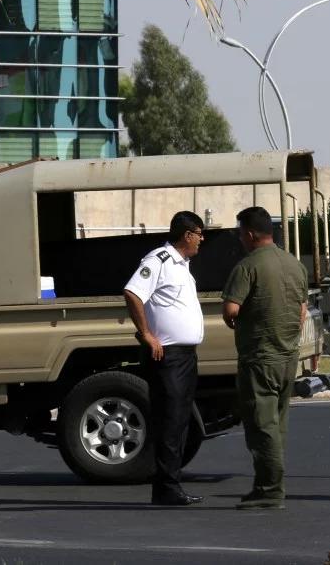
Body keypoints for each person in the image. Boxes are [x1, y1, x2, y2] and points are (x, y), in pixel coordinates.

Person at [222, 206, 309, 511]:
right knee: (277, 425)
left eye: (239, 232)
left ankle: (270, 489)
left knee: (262, 427)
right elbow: (301, 311)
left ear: (249, 233)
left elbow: (231, 310)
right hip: (288, 356)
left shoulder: (248, 267)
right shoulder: (294, 264)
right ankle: (267, 484)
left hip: (260, 357)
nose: (239, 238)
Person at [123, 211, 207, 506]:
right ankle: (166, 488)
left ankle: (170, 485)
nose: (202, 239)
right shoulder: (159, 260)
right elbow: (133, 293)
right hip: (168, 355)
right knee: (170, 420)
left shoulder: (183, 265)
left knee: (181, 421)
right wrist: (146, 334)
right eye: (199, 233)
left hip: (186, 355)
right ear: (187, 234)